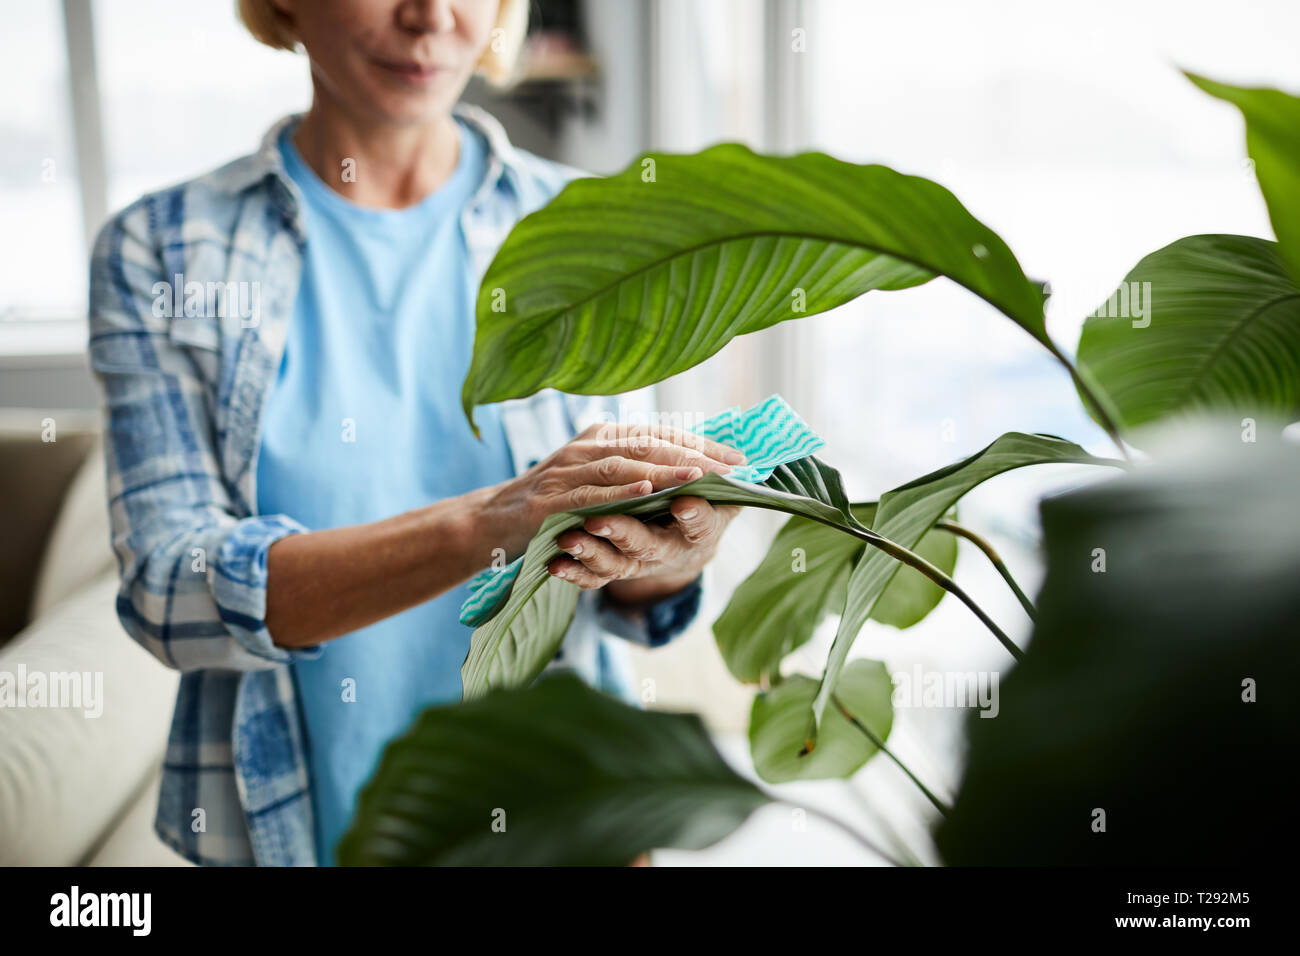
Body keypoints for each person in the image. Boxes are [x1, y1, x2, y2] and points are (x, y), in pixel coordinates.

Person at [88, 0, 740, 866]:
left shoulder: (594, 233)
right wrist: (491, 521)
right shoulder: (163, 253)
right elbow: (172, 590)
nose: (430, 16)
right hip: (296, 831)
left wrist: (671, 555)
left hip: (560, 820)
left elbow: (625, 596)